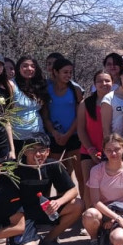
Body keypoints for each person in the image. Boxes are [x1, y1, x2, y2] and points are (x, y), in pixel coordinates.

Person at [14, 133, 84, 245]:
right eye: (32, 150)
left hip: (44, 209)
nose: (37, 154)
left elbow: (73, 191)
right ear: (24, 152)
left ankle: (48, 240)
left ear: (48, 152)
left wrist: (58, 202)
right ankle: (23, 240)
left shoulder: (52, 165)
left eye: (42, 150)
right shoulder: (16, 167)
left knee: (77, 204)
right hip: (21, 214)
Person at [82, 133, 123, 245]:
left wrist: (117, 217)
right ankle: (94, 240)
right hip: (102, 212)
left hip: (121, 211)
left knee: (118, 240)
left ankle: (109, 236)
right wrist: (115, 218)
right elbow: (95, 202)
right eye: (109, 150)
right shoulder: (96, 170)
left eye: (117, 149)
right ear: (103, 151)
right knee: (90, 214)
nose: (113, 154)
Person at [45, 56, 83, 185]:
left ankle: (83, 203)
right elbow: (45, 115)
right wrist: (54, 132)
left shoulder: (75, 90)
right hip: (54, 136)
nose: (68, 75)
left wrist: (68, 134)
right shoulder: (47, 89)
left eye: (70, 72)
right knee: (52, 172)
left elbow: (79, 115)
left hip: (73, 135)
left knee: (80, 174)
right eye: (65, 72)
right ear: (56, 72)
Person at [76, 70, 114, 192]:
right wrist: (91, 150)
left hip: (113, 152)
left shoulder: (117, 102)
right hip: (89, 151)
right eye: (99, 81)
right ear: (94, 84)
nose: (104, 83)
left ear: (112, 82)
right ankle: (89, 211)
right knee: (90, 187)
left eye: (107, 80)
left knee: (110, 188)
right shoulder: (86, 103)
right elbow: (81, 129)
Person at [11, 55, 50, 156]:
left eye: (33, 66)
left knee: (36, 168)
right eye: (25, 66)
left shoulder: (39, 85)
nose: (29, 68)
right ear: (18, 68)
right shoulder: (11, 85)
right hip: (17, 137)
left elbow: (44, 111)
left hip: (38, 136)